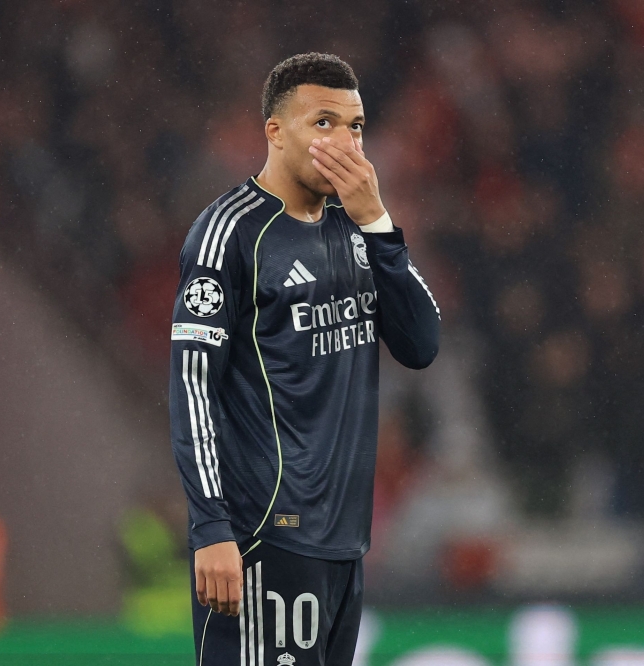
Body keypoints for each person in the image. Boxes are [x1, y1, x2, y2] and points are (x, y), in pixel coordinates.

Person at [169, 52, 441, 666]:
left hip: (344, 543)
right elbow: (192, 386)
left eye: (355, 126)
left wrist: (379, 223)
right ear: (275, 131)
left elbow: (421, 345)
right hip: (265, 537)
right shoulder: (228, 235)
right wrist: (211, 527)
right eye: (324, 123)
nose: (345, 142)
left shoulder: (357, 227)